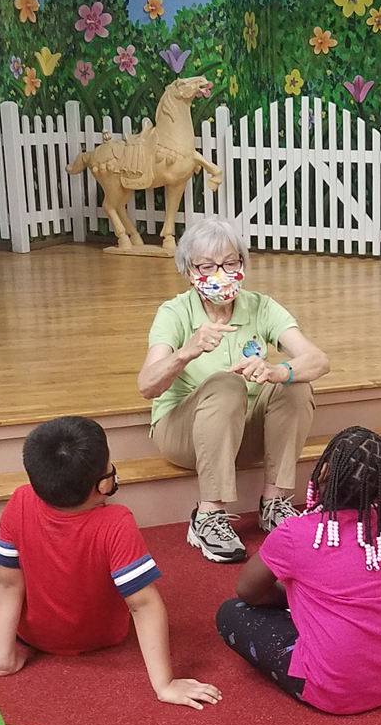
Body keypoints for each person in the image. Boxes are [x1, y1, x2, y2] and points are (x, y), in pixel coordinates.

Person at [0, 417, 222, 709]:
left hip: (32, 635)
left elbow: (7, 582)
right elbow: (143, 604)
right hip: (105, 636)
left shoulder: (20, 500)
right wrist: (165, 684)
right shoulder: (116, 522)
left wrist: (3, 657)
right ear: (104, 485)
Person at [139, 217, 331, 564]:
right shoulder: (174, 313)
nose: (221, 274)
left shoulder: (260, 306)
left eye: (230, 263)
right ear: (188, 270)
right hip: (184, 434)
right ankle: (208, 515)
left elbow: (318, 360)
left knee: (295, 384)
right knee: (227, 384)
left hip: (243, 432)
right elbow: (147, 386)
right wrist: (187, 351)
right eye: (208, 266)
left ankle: (274, 504)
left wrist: (277, 370)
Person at [216, 427, 381, 714]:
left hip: (336, 690)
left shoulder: (294, 533)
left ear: (324, 471)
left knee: (232, 613)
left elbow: (248, 592)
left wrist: (294, 597)